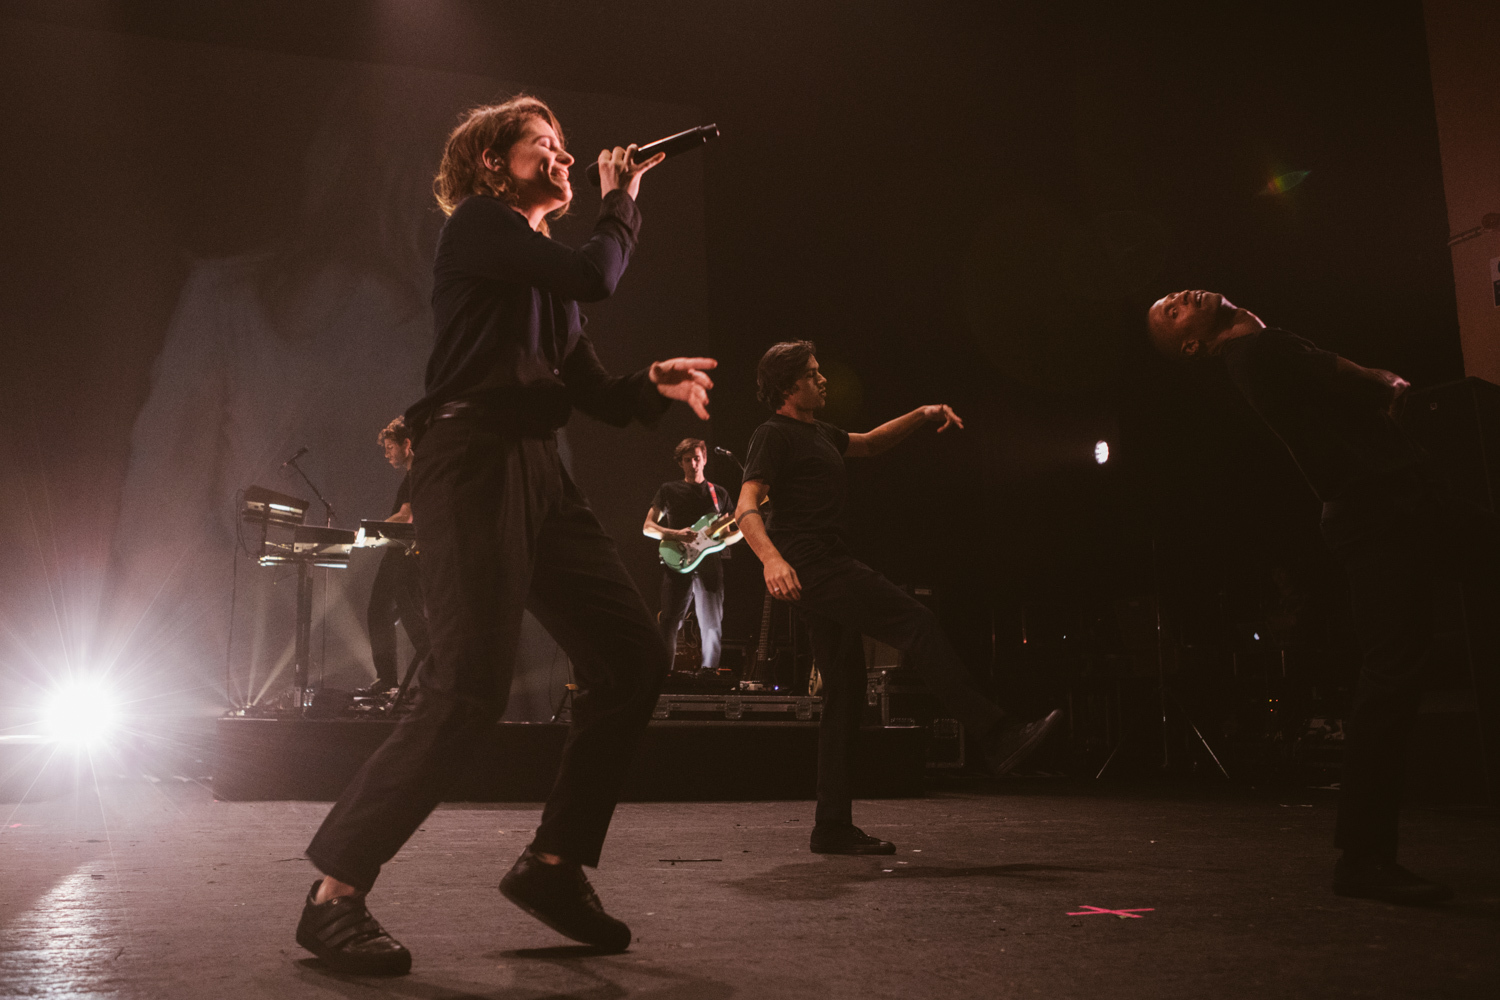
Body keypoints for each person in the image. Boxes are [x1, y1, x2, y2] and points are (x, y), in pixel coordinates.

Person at [295, 95, 718, 974]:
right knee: (468, 686)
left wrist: (652, 383)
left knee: (632, 659)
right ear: (494, 163)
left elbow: (593, 390)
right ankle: (333, 895)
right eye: (545, 147)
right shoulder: (480, 226)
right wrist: (621, 196)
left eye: (568, 149)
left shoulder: (540, 278)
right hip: (473, 457)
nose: (565, 158)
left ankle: (554, 867)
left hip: (539, 471)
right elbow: (597, 273)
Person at [1147, 287, 1496, 905]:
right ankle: (1364, 858)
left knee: (1394, 671)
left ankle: (1365, 857)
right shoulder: (1261, 350)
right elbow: (1378, 383)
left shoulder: (1262, 351)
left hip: (1401, 507)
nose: (1183, 295)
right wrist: (1385, 385)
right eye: (1172, 312)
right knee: (1391, 676)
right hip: (1382, 515)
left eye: (1176, 295)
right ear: (1192, 344)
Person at [735, 341, 1062, 856]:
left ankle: (832, 826)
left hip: (820, 565)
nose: (823, 381)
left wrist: (922, 413)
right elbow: (747, 503)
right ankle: (996, 735)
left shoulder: (819, 433)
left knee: (843, 694)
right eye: (814, 374)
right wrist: (772, 560)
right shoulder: (772, 434)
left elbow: (868, 443)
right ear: (787, 386)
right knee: (916, 622)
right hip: (814, 564)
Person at [643, 438, 737, 672]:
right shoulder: (669, 490)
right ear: (681, 463)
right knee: (669, 623)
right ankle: (664, 677)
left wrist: (730, 537)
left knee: (712, 625)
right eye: (688, 460)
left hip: (709, 565)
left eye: (697, 458)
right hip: (676, 563)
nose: (693, 463)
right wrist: (675, 534)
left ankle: (710, 677)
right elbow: (648, 527)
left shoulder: (719, 494)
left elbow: (732, 533)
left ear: (704, 459)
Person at [363, 416, 430, 694]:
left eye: (390, 447)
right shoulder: (411, 476)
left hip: (407, 555)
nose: (387, 453)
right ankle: (388, 679)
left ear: (407, 444)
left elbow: (405, 517)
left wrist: (367, 532)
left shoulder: (420, 473)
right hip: (398, 553)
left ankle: (442, 669)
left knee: (410, 613)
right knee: (379, 611)